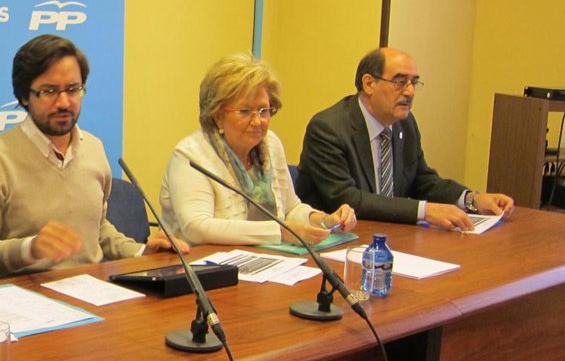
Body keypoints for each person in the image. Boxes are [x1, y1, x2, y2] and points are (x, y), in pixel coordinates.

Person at [0, 35, 187, 277]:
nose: (64, 102)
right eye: (49, 91)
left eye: (73, 89)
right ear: (25, 96)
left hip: (93, 288)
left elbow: (98, 229)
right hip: (26, 292)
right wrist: (29, 248)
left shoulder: (94, 147)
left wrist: (141, 251)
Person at [296, 47, 514, 230]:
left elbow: (422, 180)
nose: (410, 92)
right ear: (369, 84)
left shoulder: (405, 124)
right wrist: (425, 211)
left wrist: (472, 199)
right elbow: (349, 199)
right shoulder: (328, 129)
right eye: (399, 82)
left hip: (392, 237)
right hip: (337, 241)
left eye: (413, 83)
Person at [160, 53, 356, 246]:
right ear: (218, 115)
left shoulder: (270, 144)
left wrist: (324, 220)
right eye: (244, 111)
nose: (257, 121)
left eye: (264, 111)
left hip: (265, 259)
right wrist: (280, 232)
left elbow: (290, 209)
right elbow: (196, 228)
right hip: (202, 262)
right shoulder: (190, 155)